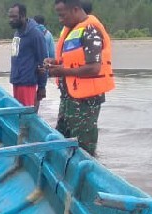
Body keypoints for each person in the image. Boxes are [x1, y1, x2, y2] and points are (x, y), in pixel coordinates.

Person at [44, 0, 114, 156]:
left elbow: (94, 68)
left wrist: (62, 72)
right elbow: (72, 60)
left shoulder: (90, 30)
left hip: (85, 101)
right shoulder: (73, 30)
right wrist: (55, 63)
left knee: (83, 147)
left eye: (62, 15)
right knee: (63, 137)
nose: (60, 20)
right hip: (70, 97)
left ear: (75, 9)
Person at [8, 4, 48, 109]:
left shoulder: (35, 34)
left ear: (23, 16)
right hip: (16, 81)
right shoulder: (17, 33)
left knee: (27, 117)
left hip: (27, 83)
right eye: (10, 17)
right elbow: (15, 56)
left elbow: (44, 60)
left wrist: (42, 86)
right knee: (18, 115)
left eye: (14, 17)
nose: (11, 20)